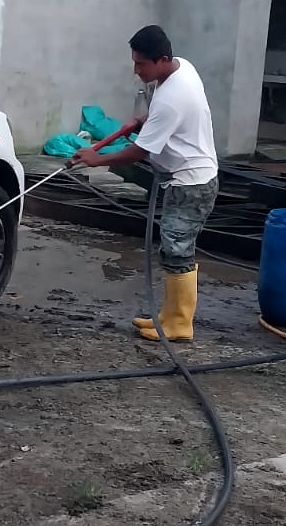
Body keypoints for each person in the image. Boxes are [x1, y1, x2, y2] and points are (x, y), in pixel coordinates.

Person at [72, 25, 218, 342]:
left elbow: (140, 151)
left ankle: (180, 324)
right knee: (172, 247)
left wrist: (97, 159)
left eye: (141, 64)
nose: (136, 71)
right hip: (183, 178)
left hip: (191, 183)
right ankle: (168, 315)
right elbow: (164, 122)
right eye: (134, 62)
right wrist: (142, 121)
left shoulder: (172, 98)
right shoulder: (181, 67)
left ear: (162, 59)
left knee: (177, 250)